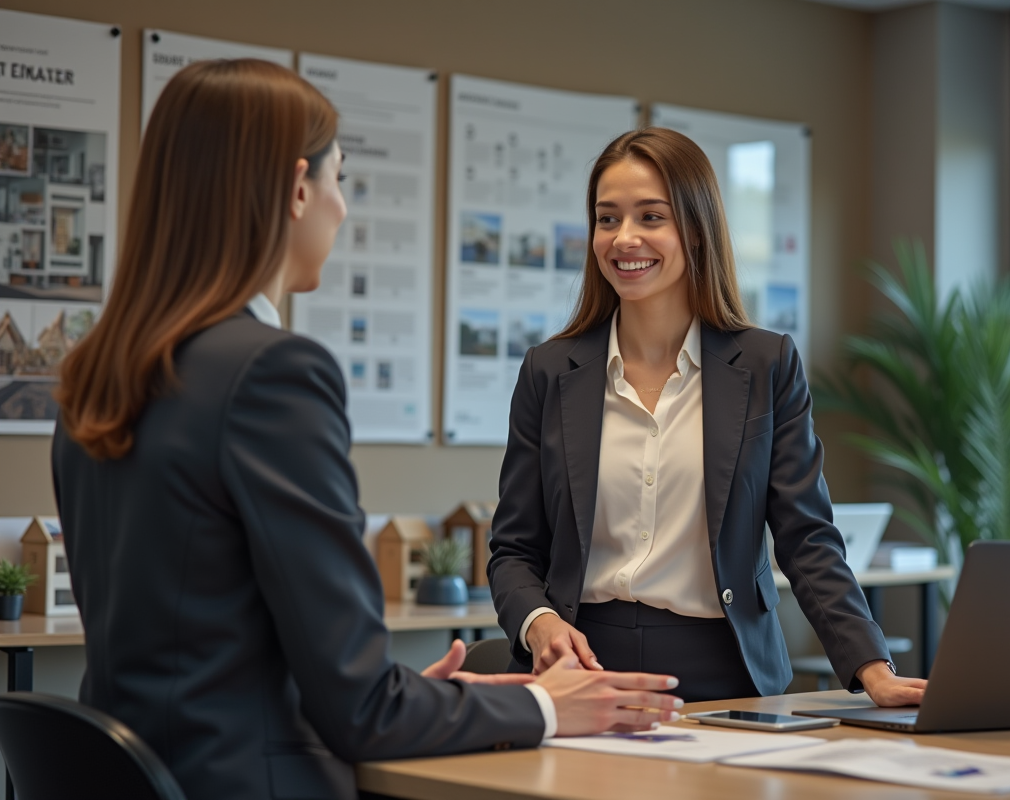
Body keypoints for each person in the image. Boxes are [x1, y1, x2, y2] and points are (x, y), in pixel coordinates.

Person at [51, 60, 680, 800]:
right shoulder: (270, 373)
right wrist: (547, 706)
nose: (342, 207)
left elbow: (207, 659)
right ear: (297, 189)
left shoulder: (97, 373)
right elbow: (361, 713)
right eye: (339, 178)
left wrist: (417, 697)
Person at [488, 127, 927, 706]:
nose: (624, 238)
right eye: (607, 218)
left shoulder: (767, 365)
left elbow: (807, 539)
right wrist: (539, 621)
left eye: (651, 217)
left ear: (696, 229)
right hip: (583, 672)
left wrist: (873, 667)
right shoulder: (548, 371)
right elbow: (514, 549)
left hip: (729, 674)